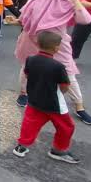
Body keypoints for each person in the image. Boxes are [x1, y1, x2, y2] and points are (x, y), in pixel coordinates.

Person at [6, 0, 91, 126]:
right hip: (30, 40)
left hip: (56, 44)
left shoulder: (66, 1)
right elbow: (24, 20)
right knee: (26, 68)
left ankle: (79, 106)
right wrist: (14, 21)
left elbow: (85, 20)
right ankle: (23, 93)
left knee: (68, 73)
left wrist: (76, 1)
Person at [12, 31, 80, 164]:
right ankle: (58, 150)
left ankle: (21, 146)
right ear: (56, 48)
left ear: (38, 44)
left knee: (29, 123)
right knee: (66, 127)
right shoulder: (58, 66)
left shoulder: (30, 59)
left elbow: (27, 75)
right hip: (54, 103)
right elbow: (65, 85)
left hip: (34, 99)